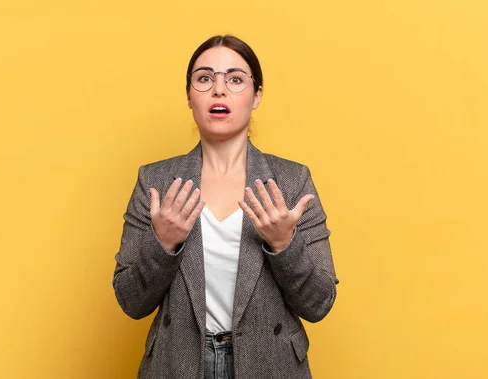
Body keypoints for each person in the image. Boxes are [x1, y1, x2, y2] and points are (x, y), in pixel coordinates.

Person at [112, 34, 339, 379]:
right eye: (204, 79)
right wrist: (163, 244)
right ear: (189, 95)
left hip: (270, 363)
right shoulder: (155, 181)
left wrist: (283, 245)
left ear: (256, 95)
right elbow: (131, 302)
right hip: (179, 364)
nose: (219, 90)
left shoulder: (293, 181)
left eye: (235, 79)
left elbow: (320, 303)